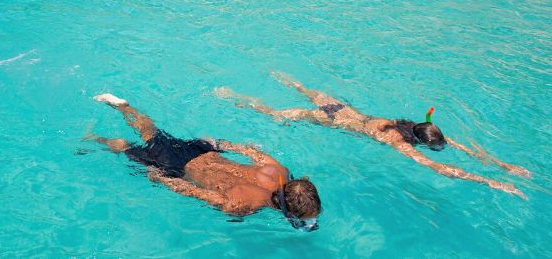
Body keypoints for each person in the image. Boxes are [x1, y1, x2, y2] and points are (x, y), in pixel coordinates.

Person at [215, 73, 531, 199]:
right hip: (332, 121)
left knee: (303, 90)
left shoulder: (406, 125)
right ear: (419, 142)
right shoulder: (396, 142)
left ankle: (281, 76)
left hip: (342, 108)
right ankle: (233, 96)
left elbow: (455, 145)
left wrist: (503, 166)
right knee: (274, 113)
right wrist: (490, 181)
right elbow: (437, 167)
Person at [87, 93, 322, 230]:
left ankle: (123, 105)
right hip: (176, 166)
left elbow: (249, 150)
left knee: (152, 132)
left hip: (203, 150)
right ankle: (93, 138)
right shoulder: (244, 207)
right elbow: (195, 193)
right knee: (126, 147)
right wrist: (164, 181)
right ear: (287, 213)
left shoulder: (278, 170)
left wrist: (218, 145)